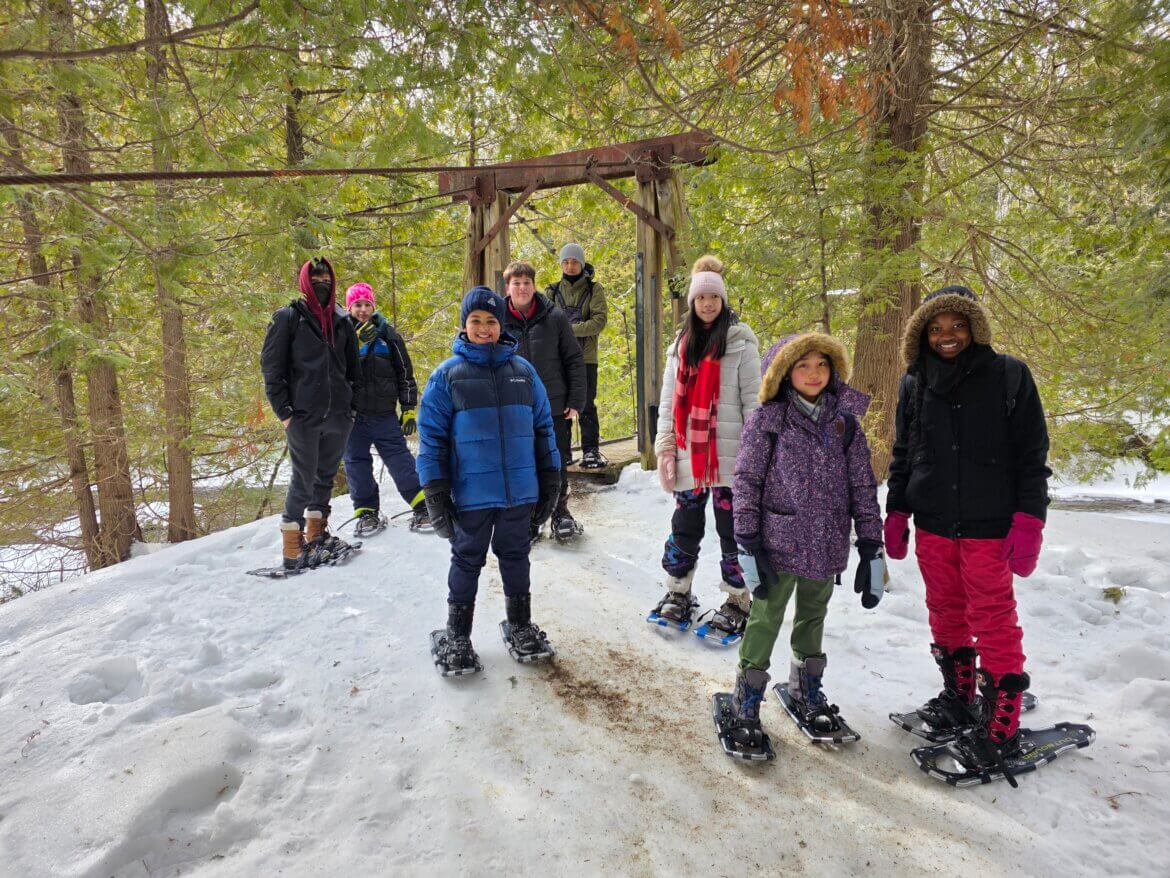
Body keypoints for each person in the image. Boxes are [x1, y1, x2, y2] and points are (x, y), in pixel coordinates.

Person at [885, 284, 1050, 767]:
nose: (947, 336)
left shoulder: (1009, 377)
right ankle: (959, 695)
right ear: (923, 334)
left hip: (990, 526)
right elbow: (904, 452)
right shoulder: (914, 382)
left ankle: (1002, 722)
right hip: (934, 522)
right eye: (936, 328)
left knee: (993, 619)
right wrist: (898, 510)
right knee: (945, 610)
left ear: (974, 327)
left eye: (957, 325)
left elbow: (1032, 455)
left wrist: (1030, 520)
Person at [721, 332, 883, 752]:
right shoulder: (768, 419)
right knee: (766, 618)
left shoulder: (845, 422)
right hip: (778, 543)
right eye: (803, 365)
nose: (814, 373)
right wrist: (747, 540)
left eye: (822, 364)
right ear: (785, 372)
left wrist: (871, 546)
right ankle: (747, 696)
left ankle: (805, 688)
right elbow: (747, 480)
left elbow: (863, 485)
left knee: (813, 616)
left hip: (827, 544)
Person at [417, 286, 562, 673]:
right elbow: (430, 440)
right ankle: (458, 632)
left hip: (518, 492)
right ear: (465, 325)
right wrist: (434, 490)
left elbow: (544, 428)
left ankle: (520, 623)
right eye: (476, 321)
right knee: (467, 559)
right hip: (470, 495)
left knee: (516, 557)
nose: (484, 328)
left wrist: (551, 478)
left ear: (502, 325)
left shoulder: (524, 374)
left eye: (492, 321)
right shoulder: (446, 377)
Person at [651, 255, 760, 635]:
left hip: (732, 457)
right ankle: (678, 591)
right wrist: (665, 447)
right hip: (688, 455)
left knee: (733, 529)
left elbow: (755, 403)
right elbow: (668, 402)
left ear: (723, 300)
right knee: (685, 524)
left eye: (714, 297)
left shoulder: (741, 343)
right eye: (701, 298)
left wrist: (756, 456)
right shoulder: (680, 345)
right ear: (693, 304)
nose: (708, 304)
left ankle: (737, 597)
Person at [260, 256, 360, 570]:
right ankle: (292, 547)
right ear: (305, 281)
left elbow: (353, 370)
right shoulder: (289, 318)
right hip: (302, 416)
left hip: (338, 416)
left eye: (326, 279)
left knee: (325, 478)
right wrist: (285, 413)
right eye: (315, 279)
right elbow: (272, 369)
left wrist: (351, 409)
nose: (322, 284)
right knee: (302, 479)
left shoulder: (342, 321)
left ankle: (317, 535)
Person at [503, 261, 587, 541]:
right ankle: (530, 516)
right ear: (508, 287)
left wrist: (576, 399)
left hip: (553, 405)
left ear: (534, 285)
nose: (522, 288)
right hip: (514, 408)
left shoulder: (555, 317)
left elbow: (573, 359)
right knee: (521, 463)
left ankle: (561, 512)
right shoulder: (497, 319)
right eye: (516, 283)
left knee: (556, 461)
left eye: (527, 282)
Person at [340, 282, 431, 535]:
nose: (362, 309)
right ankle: (366, 512)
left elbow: (405, 375)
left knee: (400, 460)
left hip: (384, 415)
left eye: (367, 304)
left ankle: (422, 505)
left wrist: (409, 409)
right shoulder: (341, 335)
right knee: (356, 463)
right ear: (349, 308)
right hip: (353, 417)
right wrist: (354, 344)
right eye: (357, 304)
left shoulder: (389, 336)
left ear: (373, 306)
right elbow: (334, 370)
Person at [545, 242, 608, 468]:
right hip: (559, 359)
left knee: (586, 404)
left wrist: (569, 329)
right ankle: (563, 453)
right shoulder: (551, 291)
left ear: (582, 264)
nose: (570, 266)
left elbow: (598, 322)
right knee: (561, 406)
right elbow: (545, 324)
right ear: (561, 264)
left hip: (586, 358)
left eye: (574, 262)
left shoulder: (594, 289)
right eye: (566, 262)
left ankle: (591, 451)